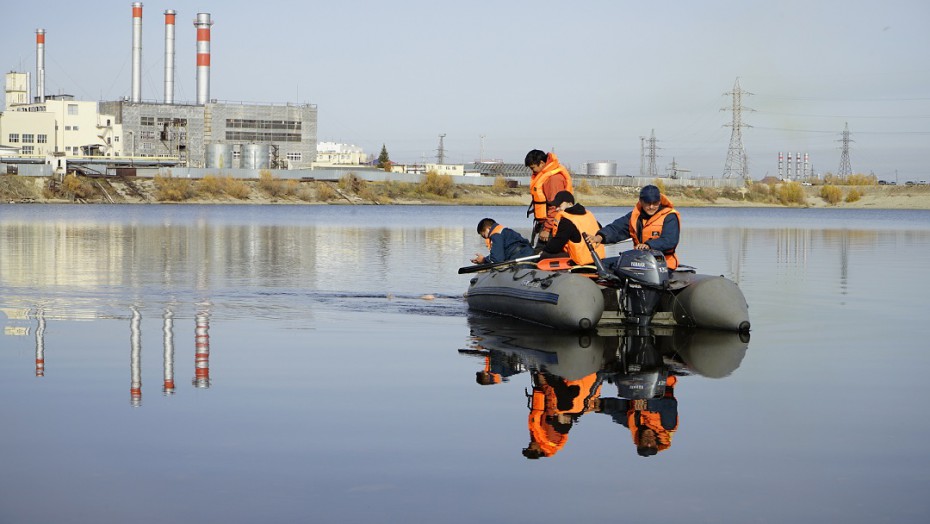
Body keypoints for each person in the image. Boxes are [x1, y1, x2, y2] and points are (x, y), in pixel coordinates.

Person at [589, 184, 681, 270]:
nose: (651, 206)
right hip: (640, 261)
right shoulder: (635, 216)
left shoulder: (669, 216)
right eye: (648, 203)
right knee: (601, 265)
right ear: (641, 202)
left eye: (655, 203)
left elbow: (669, 240)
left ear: (660, 202)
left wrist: (649, 245)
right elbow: (617, 228)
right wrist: (600, 237)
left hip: (663, 264)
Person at [539, 191, 605, 266]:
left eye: (559, 206)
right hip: (597, 259)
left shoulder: (567, 221)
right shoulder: (588, 215)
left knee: (544, 255)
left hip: (580, 261)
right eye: (556, 207)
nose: (557, 209)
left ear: (570, 204)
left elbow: (556, 245)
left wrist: (544, 251)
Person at [524, 149, 573, 247]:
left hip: (554, 225)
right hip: (549, 223)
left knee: (541, 256)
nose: (532, 171)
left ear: (542, 163)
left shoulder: (553, 179)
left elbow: (555, 206)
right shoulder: (547, 176)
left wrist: (547, 229)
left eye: (533, 168)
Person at [470, 218, 535, 265]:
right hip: (529, 252)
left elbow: (497, 259)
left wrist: (484, 260)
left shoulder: (496, 235)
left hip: (521, 257)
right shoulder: (505, 231)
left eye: (484, 235)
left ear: (489, 228)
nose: (485, 238)